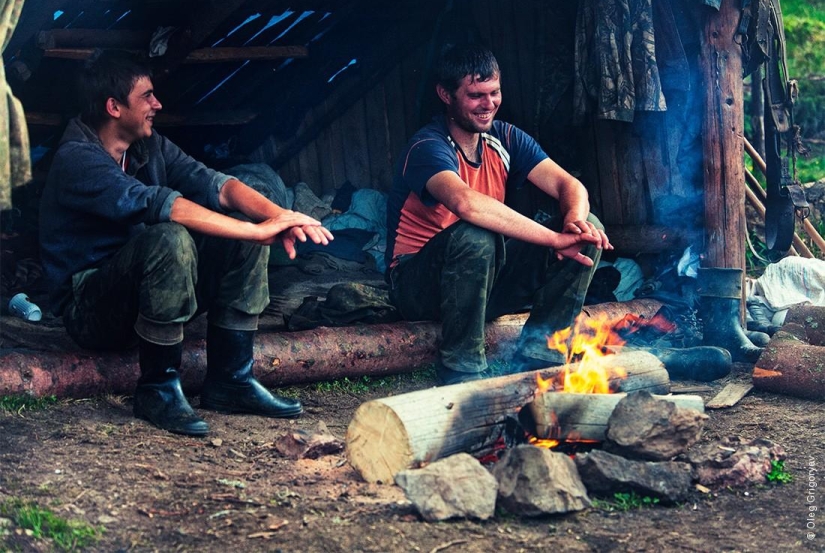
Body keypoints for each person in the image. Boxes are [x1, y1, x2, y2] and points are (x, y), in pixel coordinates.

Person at [39, 51, 333, 436]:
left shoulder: (149, 147)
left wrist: (278, 216)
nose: (157, 104)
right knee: (169, 237)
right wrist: (257, 231)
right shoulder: (77, 158)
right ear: (113, 107)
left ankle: (232, 380)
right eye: (146, 96)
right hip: (93, 311)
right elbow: (162, 205)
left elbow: (216, 184)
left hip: (146, 295)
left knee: (240, 230)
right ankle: (158, 390)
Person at [386, 44, 612, 385]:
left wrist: (573, 225)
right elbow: (467, 204)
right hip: (417, 287)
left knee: (590, 229)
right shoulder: (428, 147)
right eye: (476, 95)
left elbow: (570, 185)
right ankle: (461, 369)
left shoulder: (504, 137)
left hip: (482, 281)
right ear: (445, 95)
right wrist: (553, 239)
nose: (488, 104)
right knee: (477, 233)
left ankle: (539, 354)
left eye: (495, 92)